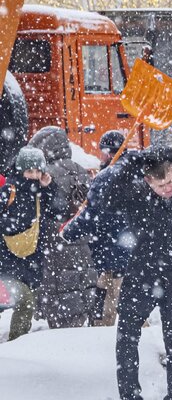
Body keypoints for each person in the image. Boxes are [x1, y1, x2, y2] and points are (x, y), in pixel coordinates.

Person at [100, 147, 172, 400]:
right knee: (126, 336)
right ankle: (130, 399)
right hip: (142, 276)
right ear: (148, 181)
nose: (168, 188)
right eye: (160, 185)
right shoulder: (137, 195)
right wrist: (130, 163)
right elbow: (106, 198)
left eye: (171, 181)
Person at [62, 130, 134, 326]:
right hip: (132, 252)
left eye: (102, 151)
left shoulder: (106, 177)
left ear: (109, 153)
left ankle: (103, 336)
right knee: (132, 309)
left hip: (110, 253)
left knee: (105, 312)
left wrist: (67, 233)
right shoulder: (135, 172)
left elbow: (91, 215)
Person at [28, 126, 97, 329]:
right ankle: (77, 325)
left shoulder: (45, 175)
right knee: (80, 283)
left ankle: (63, 336)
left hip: (55, 242)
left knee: (59, 288)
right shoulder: (82, 172)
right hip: (82, 241)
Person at [0, 146, 66, 340]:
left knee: (25, 302)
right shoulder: (9, 190)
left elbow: (59, 212)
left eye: (38, 171)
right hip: (7, 259)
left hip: (31, 258)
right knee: (25, 301)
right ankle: (15, 347)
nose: (34, 175)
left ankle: (17, 345)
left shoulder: (40, 192)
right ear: (20, 170)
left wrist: (49, 188)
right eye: (30, 171)